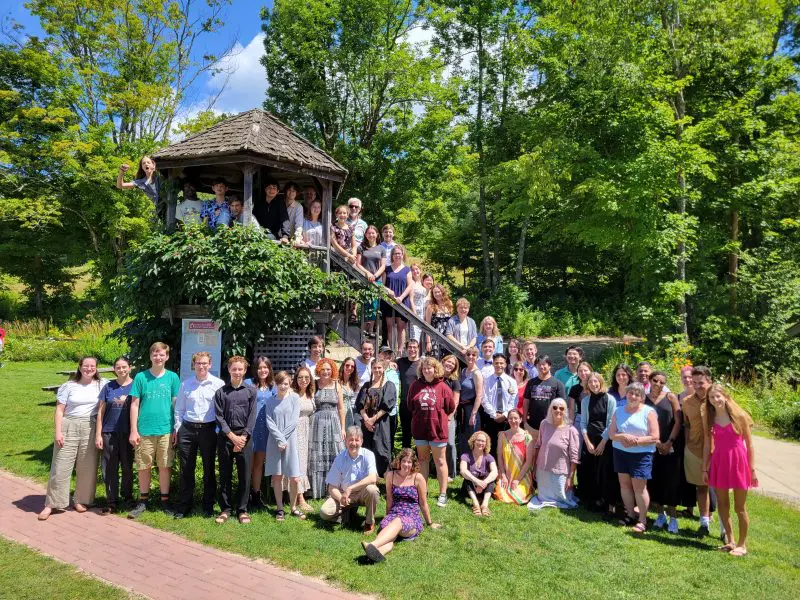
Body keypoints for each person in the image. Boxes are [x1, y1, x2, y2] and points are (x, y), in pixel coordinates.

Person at [38, 357, 106, 521]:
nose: (89, 369)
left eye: (92, 366)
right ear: (80, 367)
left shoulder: (102, 384)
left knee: (87, 465)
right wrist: (58, 432)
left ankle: (81, 500)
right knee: (61, 465)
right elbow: (60, 410)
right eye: (85, 366)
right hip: (69, 425)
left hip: (90, 425)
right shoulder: (69, 386)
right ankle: (52, 503)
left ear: (96, 368)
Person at [127, 342, 181, 519]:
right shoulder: (141, 377)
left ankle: (164, 500)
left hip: (166, 429)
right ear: (150, 356)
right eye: (155, 354)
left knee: (165, 465)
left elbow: (176, 404)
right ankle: (143, 500)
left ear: (167, 357)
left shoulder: (173, 377)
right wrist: (133, 430)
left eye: (162, 354)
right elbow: (134, 405)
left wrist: (176, 429)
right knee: (144, 466)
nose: (158, 357)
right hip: (144, 429)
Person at [703, 384, 757, 557]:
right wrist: (705, 468)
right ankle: (731, 540)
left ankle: (742, 544)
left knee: (740, 507)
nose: (716, 400)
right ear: (709, 400)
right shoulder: (709, 418)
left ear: (725, 396)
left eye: (718, 396)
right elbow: (706, 444)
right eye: (712, 397)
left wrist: (752, 468)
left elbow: (749, 444)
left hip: (739, 462)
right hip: (719, 462)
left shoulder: (739, 416)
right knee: (723, 505)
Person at [361, 448, 440, 563]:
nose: (406, 464)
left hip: (411, 517)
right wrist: (388, 518)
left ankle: (372, 544)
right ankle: (377, 554)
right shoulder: (390, 475)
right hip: (394, 514)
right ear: (399, 461)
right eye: (404, 461)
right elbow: (389, 499)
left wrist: (429, 523)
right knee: (390, 537)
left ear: (413, 464)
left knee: (397, 522)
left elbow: (423, 503)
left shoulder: (418, 478)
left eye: (409, 462)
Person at [173, 351, 225, 519]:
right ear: (193, 365)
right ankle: (184, 506)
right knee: (186, 469)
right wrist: (179, 428)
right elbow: (179, 409)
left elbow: (221, 412)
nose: (201, 366)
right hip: (188, 429)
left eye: (204, 363)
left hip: (209, 430)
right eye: (198, 363)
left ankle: (208, 506)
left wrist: (217, 431)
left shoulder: (218, 384)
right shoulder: (186, 384)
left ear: (210, 364)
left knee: (209, 469)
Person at [608, 382, 659, 532]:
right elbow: (612, 434)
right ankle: (630, 514)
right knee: (624, 484)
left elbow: (655, 436)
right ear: (627, 394)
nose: (633, 396)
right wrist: (623, 436)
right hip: (620, 453)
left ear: (642, 397)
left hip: (641, 455)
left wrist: (636, 442)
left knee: (639, 488)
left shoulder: (648, 412)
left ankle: (642, 520)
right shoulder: (618, 411)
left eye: (637, 394)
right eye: (631, 393)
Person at [214, 356, 258, 525]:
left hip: (245, 438)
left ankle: (242, 510)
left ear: (245, 370)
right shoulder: (221, 392)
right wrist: (232, 437)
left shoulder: (251, 391)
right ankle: (225, 509)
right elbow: (219, 417)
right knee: (224, 474)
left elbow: (252, 415)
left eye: (240, 369)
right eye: (234, 369)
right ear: (229, 370)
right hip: (226, 437)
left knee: (245, 476)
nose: (237, 372)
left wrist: (243, 437)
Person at [407, 357, 456, 507]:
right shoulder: (415, 386)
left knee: (440, 461)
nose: (427, 370)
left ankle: (442, 494)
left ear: (436, 369)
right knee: (422, 460)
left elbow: (450, 407)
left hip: (438, 430)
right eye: (424, 368)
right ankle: (423, 490)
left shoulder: (443, 387)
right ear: (421, 370)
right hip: (420, 429)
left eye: (430, 368)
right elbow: (410, 405)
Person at [320, 426, 381, 534]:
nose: (353, 443)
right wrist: (341, 498)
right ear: (346, 441)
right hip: (345, 495)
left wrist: (350, 489)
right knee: (324, 513)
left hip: (363, 492)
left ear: (361, 441)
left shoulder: (369, 455)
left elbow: (373, 478)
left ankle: (369, 522)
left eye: (357, 440)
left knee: (373, 490)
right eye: (351, 440)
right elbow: (332, 487)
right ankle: (348, 516)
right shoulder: (339, 459)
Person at [95, 356, 134, 514]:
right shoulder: (108, 387)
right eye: (118, 367)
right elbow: (100, 412)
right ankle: (112, 500)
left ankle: (128, 497)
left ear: (130, 367)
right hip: (109, 432)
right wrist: (98, 434)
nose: (121, 370)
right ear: (114, 369)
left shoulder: (135, 386)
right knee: (109, 467)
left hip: (128, 432)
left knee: (127, 466)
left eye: (124, 366)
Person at [646, 371, 683, 533]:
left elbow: (678, 421)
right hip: (651, 446)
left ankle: (673, 518)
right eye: (655, 381)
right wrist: (656, 443)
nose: (658, 384)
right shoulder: (644, 398)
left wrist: (669, 442)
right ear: (649, 380)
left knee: (671, 482)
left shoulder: (671, 398)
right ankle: (660, 515)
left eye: (662, 382)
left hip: (670, 446)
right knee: (655, 481)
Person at [527, 398, 580, 511]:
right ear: (550, 409)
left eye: (561, 408)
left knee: (563, 498)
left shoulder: (571, 430)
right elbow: (538, 445)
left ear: (565, 411)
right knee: (542, 497)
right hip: (543, 469)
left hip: (560, 470)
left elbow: (575, 456)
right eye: (555, 407)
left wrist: (570, 477)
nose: (558, 410)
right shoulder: (544, 424)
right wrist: (535, 467)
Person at [265, 371, 304, 521]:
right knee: (277, 476)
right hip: (274, 442)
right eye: (280, 383)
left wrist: (283, 439)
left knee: (294, 477)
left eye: (286, 383)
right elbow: (269, 421)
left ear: (290, 384)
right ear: (276, 383)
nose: (283, 386)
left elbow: (294, 421)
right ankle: (280, 508)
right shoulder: (270, 401)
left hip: (290, 442)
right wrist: (279, 439)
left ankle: (293, 507)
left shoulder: (294, 398)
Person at [577, 372, 617, 515]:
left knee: (605, 472)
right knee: (591, 470)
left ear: (601, 382)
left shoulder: (610, 399)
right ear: (587, 384)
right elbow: (583, 423)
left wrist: (603, 443)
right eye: (591, 382)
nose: (594, 384)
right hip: (590, 440)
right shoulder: (585, 400)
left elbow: (611, 423)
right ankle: (594, 499)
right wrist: (587, 442)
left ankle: (607, 502)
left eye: (596, 382)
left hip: (605, 440)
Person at [309, 358, 346, 499]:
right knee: (317, 455)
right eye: (323, 369)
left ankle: (335, 489)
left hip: (334, 422)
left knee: (335, 454)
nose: (325, 372)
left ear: (332, 371)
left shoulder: (337, 385)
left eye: (328, 369)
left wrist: (343, 428)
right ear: (319, 369)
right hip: (317, 423)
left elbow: (341, 409)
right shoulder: (314, 385)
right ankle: (318, 490)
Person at [683, 365, 714, 537]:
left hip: (718, 452)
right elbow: (686, 424)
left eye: (701, 382)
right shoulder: (687, 402)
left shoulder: (717, 400)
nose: (697, 386)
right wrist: (688, 442)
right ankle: (704, 523)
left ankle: (725, 529)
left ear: (709, 381)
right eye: (694, 382)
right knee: (701, 487)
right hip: (695, 450)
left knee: (721, 489)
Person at [246, 356, 276, 510]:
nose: (263, 370)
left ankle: (256, 496)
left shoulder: (273, 387)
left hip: (265, 430)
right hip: (250, 429)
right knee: (246, 464)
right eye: (259, 368)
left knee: (258, 464)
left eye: (265, 367)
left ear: (269, 369)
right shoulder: (248, 384)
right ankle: (244, 495)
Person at [356, 359, 396, 476]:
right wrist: (367, 420)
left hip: (381, 422)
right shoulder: (366, 385)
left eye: (379, 368)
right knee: (366, 448)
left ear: (383, 369)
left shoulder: (389, 385)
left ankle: (384, 476)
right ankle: (368, 475)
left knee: (381, 449)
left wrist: (373, 420)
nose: (377, 370)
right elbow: (360, 405)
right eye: (375, 368)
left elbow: (387, 406)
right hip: (366, 423)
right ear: (371, 369)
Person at [480, 354, 517, 459]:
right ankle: (492, 471)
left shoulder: (511, 381)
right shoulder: (487, 380)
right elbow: (484, 398)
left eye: (501, 363)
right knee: (490, 446)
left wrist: (505, 414)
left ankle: (505, 472)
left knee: (506, 446)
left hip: (506, 419)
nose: (499, 365)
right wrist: (493, 414)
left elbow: (513, 400)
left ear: (505, 364)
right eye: (496, 363)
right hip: (491, 418)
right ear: (493, 364)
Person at [494, 409, 534, 505]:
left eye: (516, 418)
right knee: (501, 495)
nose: (513, 421)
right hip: (506, 474)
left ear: (520, 419)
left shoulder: (527, 437)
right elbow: (499, 457)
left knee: (519, 497)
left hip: (522, 475)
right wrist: (503, 475)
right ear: (507, 420)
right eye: (510, 418)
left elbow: (528, 462)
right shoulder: (502, 435)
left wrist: (517, 480)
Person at [522, 355, 566, 441]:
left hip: (551, 425)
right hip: (532, 425)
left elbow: (562, 406)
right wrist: (524, 421)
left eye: (544, 364)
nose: (541, 367)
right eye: (538, 364)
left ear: (549, 366)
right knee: (532, 451)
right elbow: (526, 401)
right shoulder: (531, 382)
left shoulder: (557, 384)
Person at [291, 367, 316, 512]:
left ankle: (296, 495)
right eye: (300, 377)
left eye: (307, 377)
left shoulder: (310, 394)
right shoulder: (292, 394)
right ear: (296, 379)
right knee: (298, 464)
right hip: (295, 431)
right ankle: (300, 499)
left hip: (307, 431)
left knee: (303, 464)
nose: (303, 380)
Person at [356, 225, 387, 336]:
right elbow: (358, 264)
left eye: (373, 233)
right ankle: (363, 328)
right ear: (365, 235)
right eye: (369, 233)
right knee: (365, 304)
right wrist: (368, 273)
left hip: (376, 281)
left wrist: (375, 275)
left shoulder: (381, 249)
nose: (371, 235)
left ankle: (371, 329)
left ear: (377, 234)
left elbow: (383, 266)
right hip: (364, 279)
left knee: (374, 305)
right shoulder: (361, 247)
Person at [460, 431, 498, 516]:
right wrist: (477, 482)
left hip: (483, 487)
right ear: (473, 441)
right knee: (468, 476)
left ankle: (485, 505)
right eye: (479, 440)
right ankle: (476, 504)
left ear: (486, 444)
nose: (481, 443)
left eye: (483, 441)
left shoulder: (489, 457)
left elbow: (495, 472)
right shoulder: (465, 456)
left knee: (490, 478)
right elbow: (463, 471)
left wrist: (483, 483)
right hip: (470, 488)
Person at [384, 244, 413, 352]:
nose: (397, 255)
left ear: (403, 254)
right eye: (395, 253)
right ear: (392, 255)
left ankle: (400, 350)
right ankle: (392, 351)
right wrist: (388, 292)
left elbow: (410, 286)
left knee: (401, 328)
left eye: (399, 253)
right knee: (390, 327)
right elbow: (382, 284)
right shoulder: (387, 269)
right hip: (389, 301)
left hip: (402, 301)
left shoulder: (407, 270)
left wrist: (401, 297)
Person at [456, 347, 484, 457]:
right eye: (468, 355)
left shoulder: (477, 373)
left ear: (477, 357)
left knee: (473, 437)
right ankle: (464, 462)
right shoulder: (463, 371)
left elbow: (479, 395)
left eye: (473, 355)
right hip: (462, 409)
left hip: (472, 409)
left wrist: (473, 414)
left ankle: (474, 464)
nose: (470, 357)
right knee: (463, 435)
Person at [396, 339, 422, 448]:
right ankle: (405, 462)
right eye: (410, 347)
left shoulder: (422, 363)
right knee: (406, 435)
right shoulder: (401, 362)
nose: (412, 349)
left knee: (419, 436)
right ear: (406, 349)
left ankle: (419, 463)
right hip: (405, 403)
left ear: (418, 348)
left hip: (419, 405)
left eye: (414, 347)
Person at [441, 355, 461, 478]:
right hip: (435, 415)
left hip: (448, 415)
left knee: (450, 443)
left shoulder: (454, 381)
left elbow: (456, 401)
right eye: (448, 362)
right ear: (443, 362)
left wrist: (449, 416)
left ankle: (451, 472)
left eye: (453, 364)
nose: (450, 365)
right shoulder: (436, 378)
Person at [425, 284, 453, 358]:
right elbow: (427, 325)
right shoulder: (431, 307)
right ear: (432, 294)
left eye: (438, 292)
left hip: (448, 338)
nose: (437, 294)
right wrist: (428, 342)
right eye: (435, 293)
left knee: (447, 359)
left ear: (442, 292)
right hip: (435, 338)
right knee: (436, 360)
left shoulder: (449, 304)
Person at [339, 357, 361, 429]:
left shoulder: (353, 382)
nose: (349, 368)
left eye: (352, 366)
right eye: (347, 365)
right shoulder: (337, 381)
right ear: (343, 366)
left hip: (350, 413)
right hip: (338, 412)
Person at [408, 264, 428, 344]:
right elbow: (411, 299)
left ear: (420, 270)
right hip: (415, 311)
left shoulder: (422, 283)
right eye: (413, 270)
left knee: (422, 335)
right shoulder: (412, 283)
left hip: (423, 311)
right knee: (414, 335)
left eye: (417, 269)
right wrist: (414, 313)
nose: (415, 271)